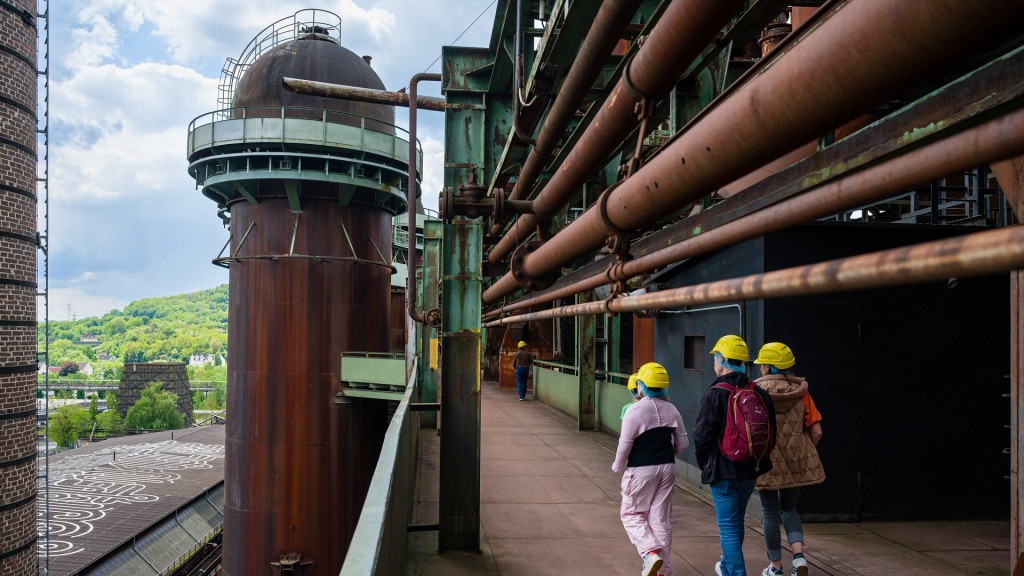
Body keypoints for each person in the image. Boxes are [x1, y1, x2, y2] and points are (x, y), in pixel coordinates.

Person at [693, 335, 776, 576]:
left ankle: (736, 573)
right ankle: (728, 568)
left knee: (728, 528)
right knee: (736, 522)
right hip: (750, 470)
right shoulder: (758, 392)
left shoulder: (716, 393)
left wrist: (706, 464)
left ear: (721, 359)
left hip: (724, 471)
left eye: (715, 357)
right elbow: (772, 433)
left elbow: (701, 436)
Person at [752, 342, 824, 576]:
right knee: (789, 508)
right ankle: (799, 557)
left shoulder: (754, 391)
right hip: (796, 460)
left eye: (762, 364)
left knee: (770, 513)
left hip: (765, 461)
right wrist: (802, 449)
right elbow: (817, 431)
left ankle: (775, 567)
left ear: (767, 366)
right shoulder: (803, 392)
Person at [612, 362, 689, 576]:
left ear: (641, 386)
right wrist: (666, 456)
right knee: (660, 518)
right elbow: (683, 444)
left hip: (641, 469)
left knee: (631, 514)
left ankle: (649, 553)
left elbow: (625, 444)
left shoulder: (635, 411)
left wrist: (617, 466)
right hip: (667, 468)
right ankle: (663, 570)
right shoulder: (672, 409)